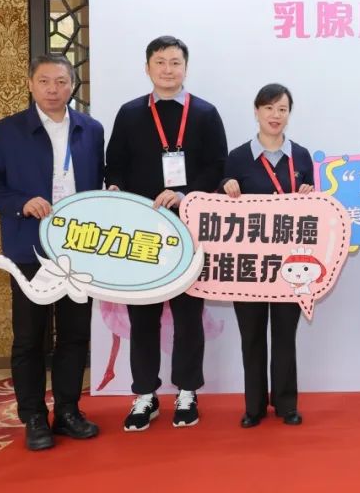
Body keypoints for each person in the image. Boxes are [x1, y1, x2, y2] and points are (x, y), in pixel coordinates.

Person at [0, 54, 105, 451]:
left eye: (61, 81)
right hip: (29, 245)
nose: (53, 89)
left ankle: (67, 411)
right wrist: (21, 202)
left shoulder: (90, 129)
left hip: (79, 248)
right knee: (30, 337)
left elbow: (99, 179)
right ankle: (33, 416)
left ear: (73, 86)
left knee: (75, 335)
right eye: (45, 81)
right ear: (31, 84)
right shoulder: (8, 130)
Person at [105, 36, 227, 431]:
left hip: (189, 229)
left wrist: (185, 194)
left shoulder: (205, 113)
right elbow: (114, 165)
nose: (168, 69)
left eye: (175, 62)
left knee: (189, 315)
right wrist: (114, 187)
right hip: (142, 230)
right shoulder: (129, 113)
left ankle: (187, 391)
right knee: (143, 315)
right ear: (147, 68)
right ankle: (145, 394)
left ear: (185, 68)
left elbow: (218, 167)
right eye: (160, 62)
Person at [222, 83, 313, 428]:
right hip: (250, 266)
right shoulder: (237, 157)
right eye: (269, 108)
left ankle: (287, 404)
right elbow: (220, 214)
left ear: (290, 114)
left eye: (282, 109)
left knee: (285, 336)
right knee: (252, 336)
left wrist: (311, 194)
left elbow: (315, 212)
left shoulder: (301, 156)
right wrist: (226, 187)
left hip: (291, 264)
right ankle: (254, 406)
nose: (275, 115)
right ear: (256, 111)